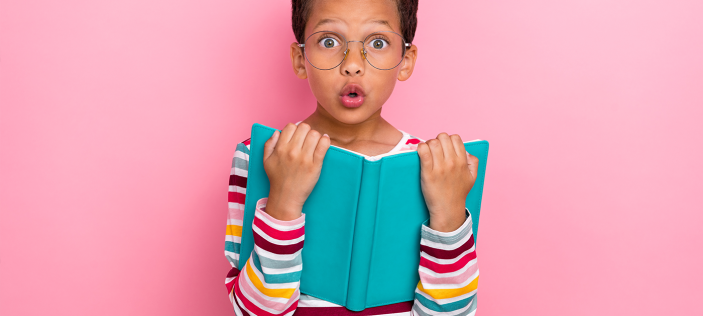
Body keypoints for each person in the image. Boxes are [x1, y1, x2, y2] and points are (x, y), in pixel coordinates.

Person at [224, 0, 480, 315]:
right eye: (329, 41)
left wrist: (449, 218)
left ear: (405, 60)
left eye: (378, 42)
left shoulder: (437, 167)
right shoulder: (262, 155)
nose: (353, 64)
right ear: (300, 59)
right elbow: (253, 312)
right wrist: (284, 203)